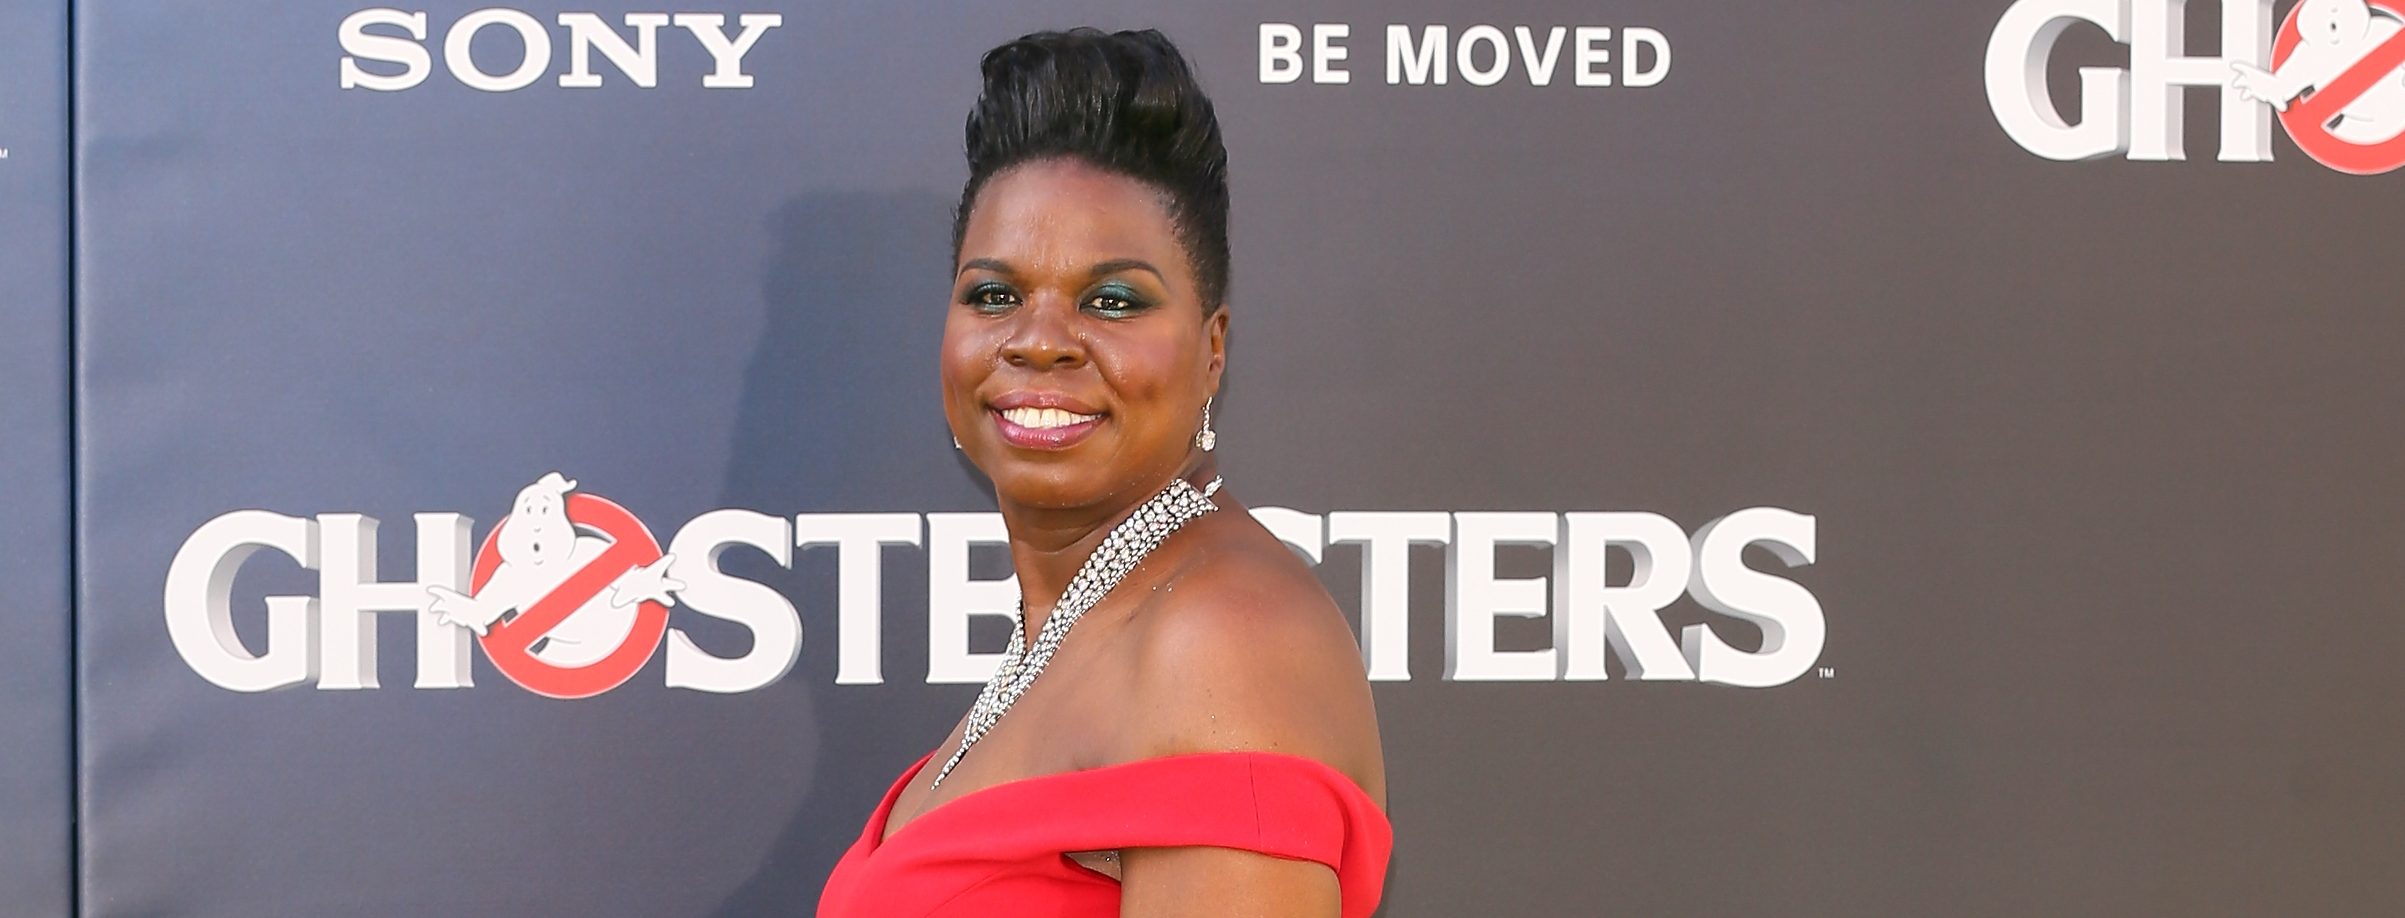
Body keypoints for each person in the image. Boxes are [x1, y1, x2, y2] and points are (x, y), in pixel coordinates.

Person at [815, 27, 1391, 918]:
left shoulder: (1219, 642)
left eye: (1111, 300)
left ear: (1212, 350)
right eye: (993, 294)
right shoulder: (1081, 631)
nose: (1038, 340)